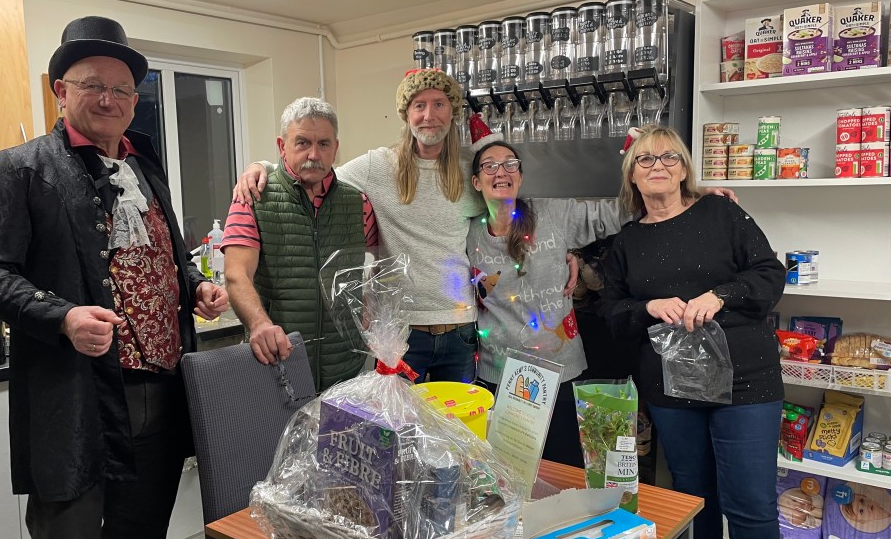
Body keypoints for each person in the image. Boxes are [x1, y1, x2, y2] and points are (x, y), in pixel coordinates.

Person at [0, 16, 228, 539]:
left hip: (161, 390)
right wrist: (62, 317)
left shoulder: (145, 163)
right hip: (76, 397)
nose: (108, 99)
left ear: (135, 100)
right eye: (91, 85)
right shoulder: (20, 168)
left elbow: (165, 254)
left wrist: (194, 284)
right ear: (61, 90)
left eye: (122, 89)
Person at [598, 125, 790, 539]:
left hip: (746, 378)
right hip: (671, 382)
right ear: (632, 176)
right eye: (644, 160)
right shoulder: (626, 242)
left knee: (750, 499)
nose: (657, 166)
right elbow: (610, 311)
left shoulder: (721, 213)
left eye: (668, 157)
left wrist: (722, 294)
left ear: (684, 168)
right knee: (692, 493)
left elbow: (770, 274)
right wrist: (647, 307)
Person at [234, 69, 484, 383]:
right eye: (419, 105)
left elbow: (508, 201)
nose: (428, 115)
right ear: (406, 114)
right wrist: (262, 166)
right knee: (398, 417)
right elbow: (315, 169)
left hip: (461, 328)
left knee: (461, 414)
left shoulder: (472, 169)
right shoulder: (378, 166)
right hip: (401, 335)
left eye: (439, 104)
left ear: (453, 111)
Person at [467, 136, 625, 467]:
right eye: (490, 165)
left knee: (563, 470)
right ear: (476, 181)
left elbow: (615, 213)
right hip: (499, 375)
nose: (501, 171)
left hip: (559, 372)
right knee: (508, 473)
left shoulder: (551, 214)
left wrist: (689, 198)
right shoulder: (468, 235)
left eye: (510, 164)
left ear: (520, 176)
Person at [222, 97, 378, 390]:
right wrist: (259, 324)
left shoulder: (358, 203)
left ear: (335, 148)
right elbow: (236, 275)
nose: (314, 154)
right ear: (282, 146)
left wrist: (369, 304)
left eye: (324, 144)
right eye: (302, 142)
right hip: (278, 363)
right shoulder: (253, 199)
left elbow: (378, 264)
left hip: (346, 368)